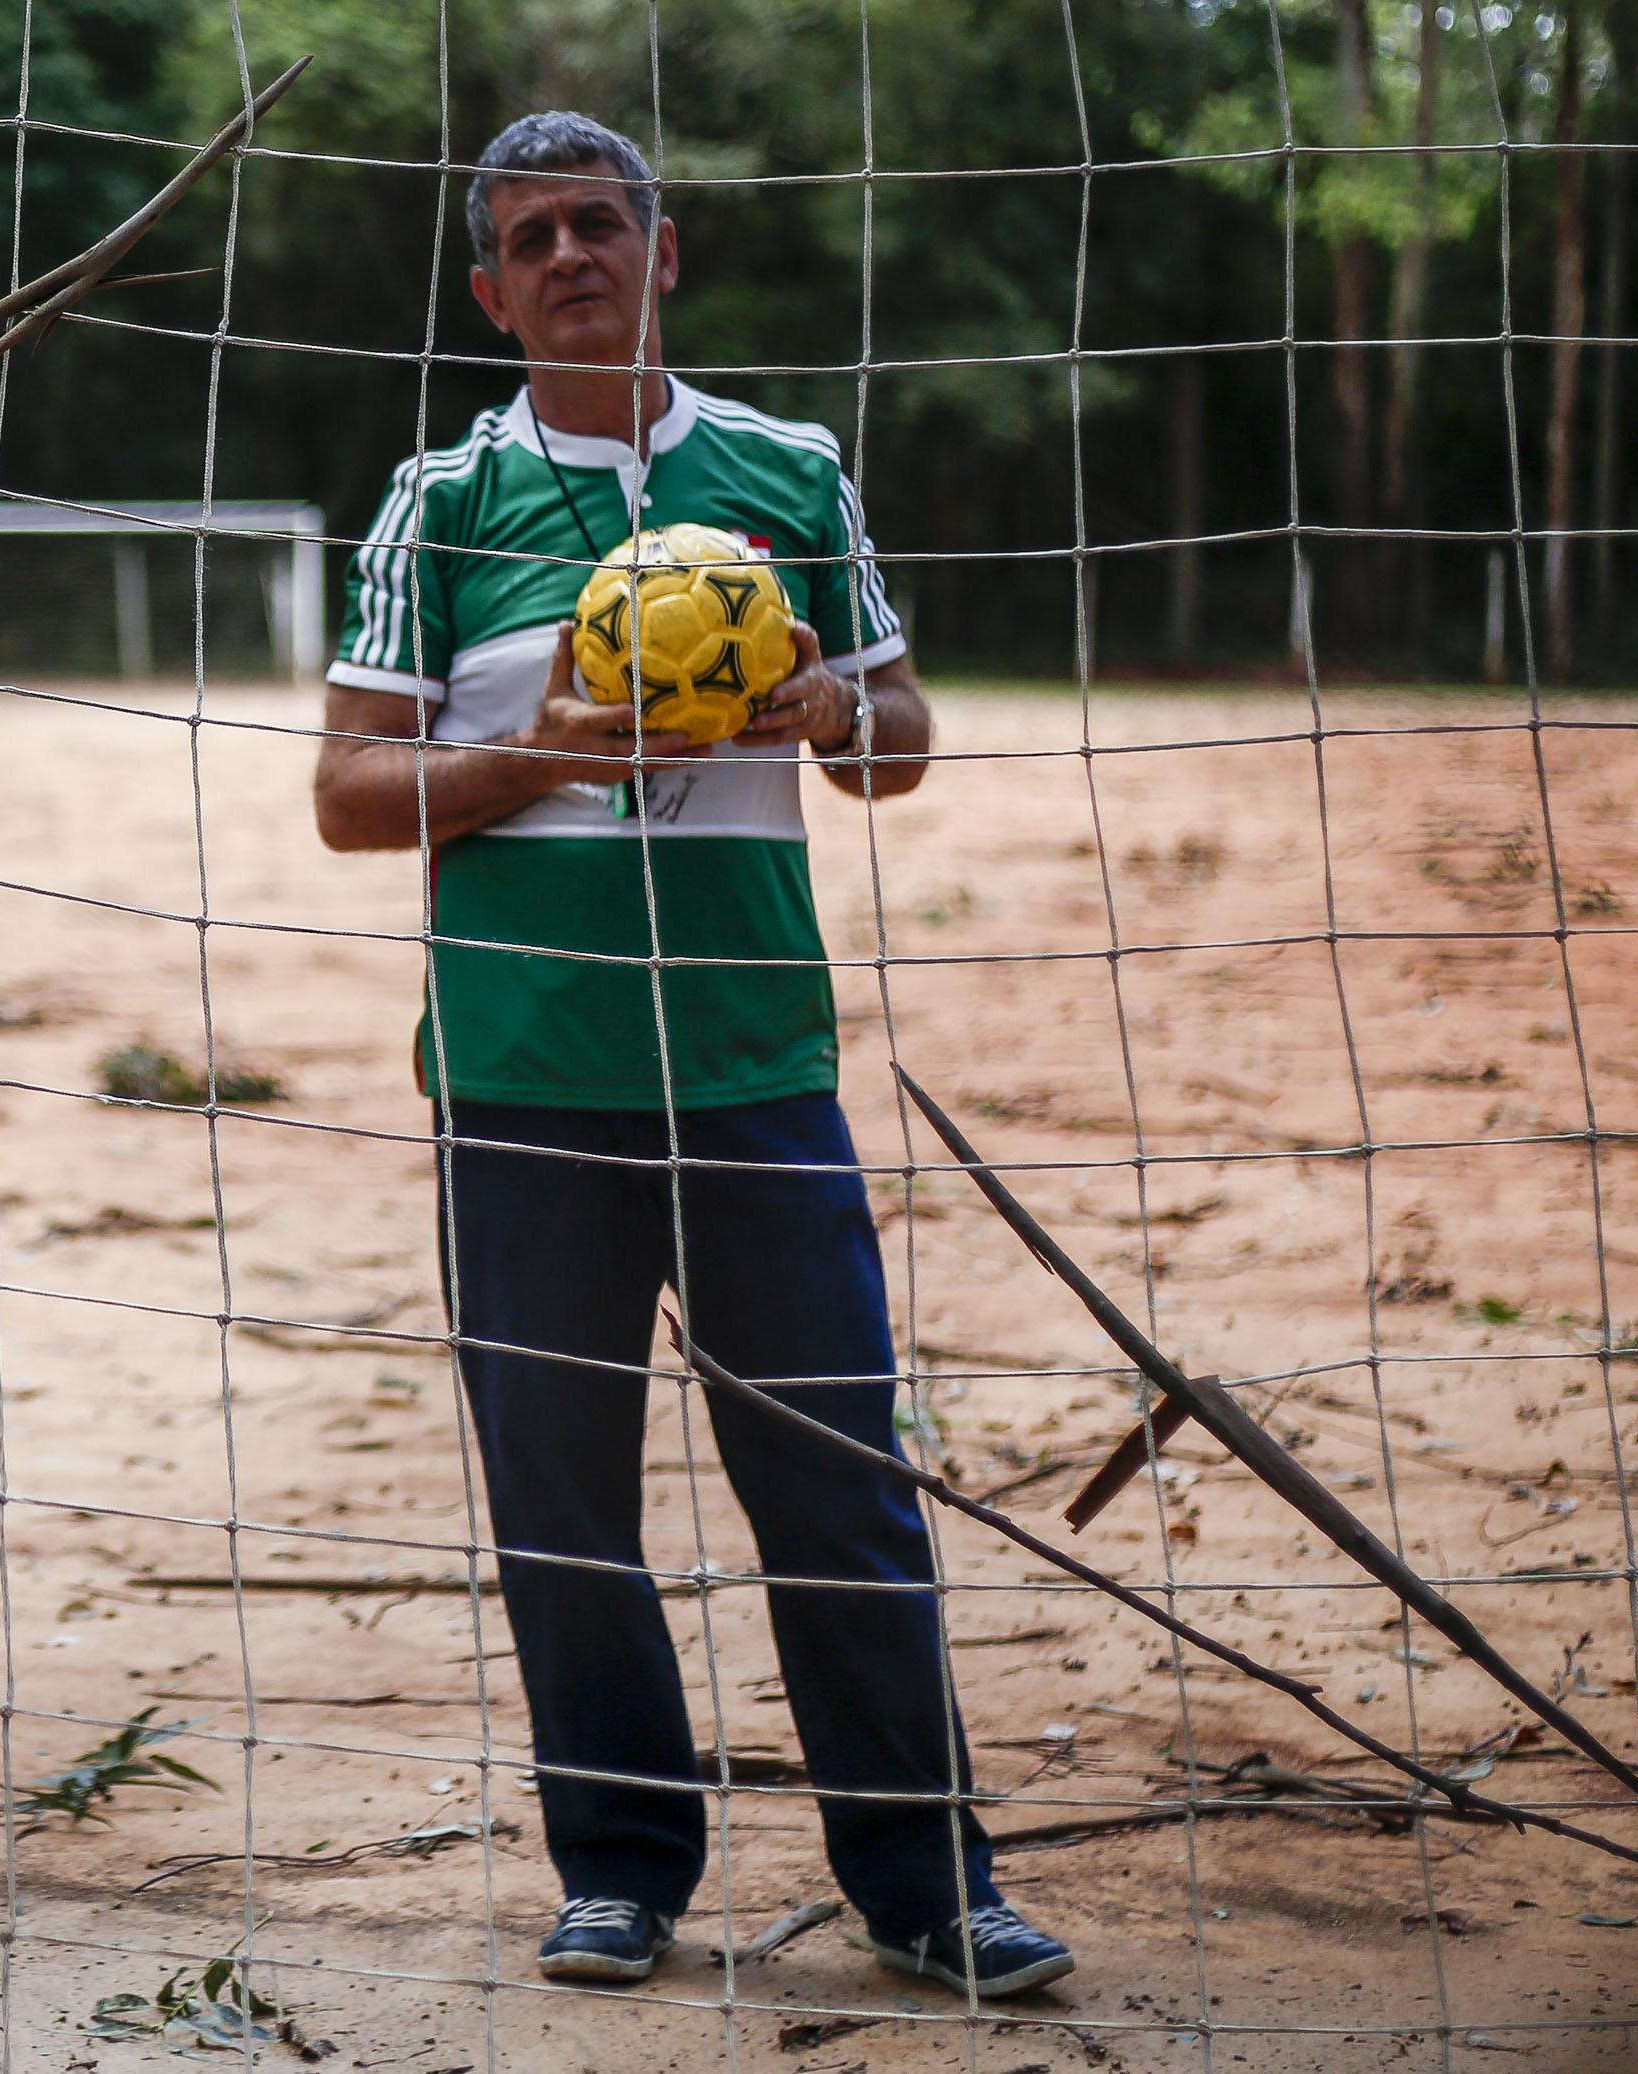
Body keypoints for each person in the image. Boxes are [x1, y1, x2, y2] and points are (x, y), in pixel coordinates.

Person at [309, 111, 1074, 2001]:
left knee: (835, 1478)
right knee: (562, 1495)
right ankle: (623, 1866)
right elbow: (345, 793)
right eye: (531, 236)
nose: (571, 252)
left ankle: (926, 1882)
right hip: (522, 1073)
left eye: (600, 221)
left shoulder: (785, 469)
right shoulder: (442, 499)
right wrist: (545, 759)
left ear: (670, 250)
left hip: (751, 1064)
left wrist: (825, 699)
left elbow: (896, 741)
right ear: (490, 293)